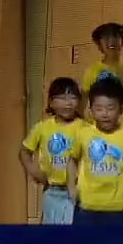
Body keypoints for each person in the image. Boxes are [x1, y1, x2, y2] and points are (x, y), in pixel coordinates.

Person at [68, 78, 123, 226]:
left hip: (120, 210)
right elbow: (71, 159)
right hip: (87, 209)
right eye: (99, 109)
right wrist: (72, 187)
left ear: (121, 109)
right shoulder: (83, 133)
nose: (104, 114)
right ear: (90, 109)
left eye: (110, 108)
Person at [20, 77, 88, 225]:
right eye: (62, 98)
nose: (68, 103)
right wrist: (34, 171)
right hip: (51, 191)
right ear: (51, 102)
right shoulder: (42, 127)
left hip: (78, 191)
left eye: (73, 98)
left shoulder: (85, 127)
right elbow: (24, 151)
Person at [81, 22, 123, 126]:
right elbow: (83, 98)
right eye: (106, 38)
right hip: (97, 124)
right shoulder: (92, 69)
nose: (111, 41)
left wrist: (115, 64)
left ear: (122, 42)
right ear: (99, 45)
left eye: (115, 37)